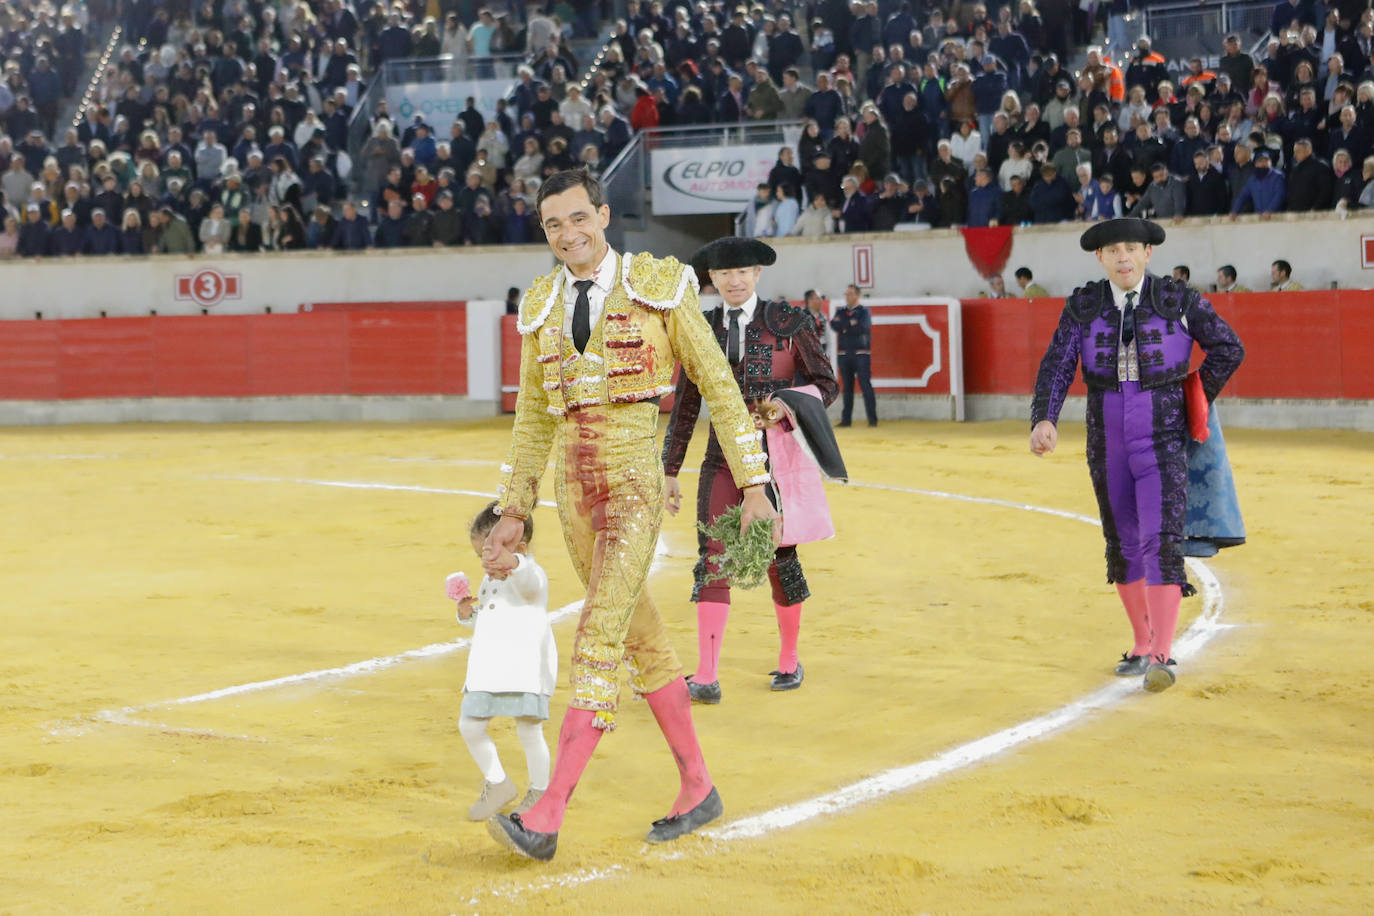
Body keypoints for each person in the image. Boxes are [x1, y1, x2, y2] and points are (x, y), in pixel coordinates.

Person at [484, 169, 776, 861]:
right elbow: (532, 417)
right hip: (573, 495)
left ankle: (550, 809)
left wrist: (754, 478)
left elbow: (718, 383)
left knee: (599, 633)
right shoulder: (542, 303)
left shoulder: (659, 282)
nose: (568, 234)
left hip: (635, 483)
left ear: (604, 215)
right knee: (639, 635)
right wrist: (515, 507)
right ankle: (697, 785)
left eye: (578, 218)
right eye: (553, 224)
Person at [1030, 217, 1244, 692]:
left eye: (1131, 248)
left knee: (1161, 540)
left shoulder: (1179, 300)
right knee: (1122, 541)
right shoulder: (1083, 305)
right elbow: (1058, 364)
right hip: (1105, 438)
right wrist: (1044, 418)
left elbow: (1229, 348)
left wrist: (1192, 395)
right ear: (1100, 258)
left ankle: (1164, 653)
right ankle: (1142, 641)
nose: (1123, 256)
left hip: (1163, 436)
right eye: (1113, 250)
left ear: (1148, 253)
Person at [662, 237, 838, 704]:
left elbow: (826, 383)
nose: (735, 281)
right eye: (725, 275)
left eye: (743, 272)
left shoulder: (789, 322)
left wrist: (785, 405)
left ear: (758, 274)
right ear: (713, 281)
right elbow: (685, 403)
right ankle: (706, 674)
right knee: (713, 555)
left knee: (781, 556)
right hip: (721, 458)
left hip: (776, 459)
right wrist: (670, 468)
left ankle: (788, 658)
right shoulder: (699, 328)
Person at [453, 502, 555, 822]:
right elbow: (491, 619)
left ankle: (540, 791)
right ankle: (498, 783)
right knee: (469, 725)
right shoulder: (489, 580)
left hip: (525, 670)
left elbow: (528, 584)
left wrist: (515, 564)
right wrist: (468, 615)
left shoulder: (531, 574)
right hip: (490, 670)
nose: (484, 562)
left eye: (490, 552)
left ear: (518, 547)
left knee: (529, 731)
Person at [831, 284, 877, 427]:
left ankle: (872, 419)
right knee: (847, 387)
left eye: (850, 294)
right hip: (844, 354)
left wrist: (844, 326)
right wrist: (850, 324)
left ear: (857, 295)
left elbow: (863, 327)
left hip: (861, 353)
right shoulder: (841, 311)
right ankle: (846, 420)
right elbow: (834, 325)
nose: (847, 296)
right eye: (846, 294)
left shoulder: (864, 311)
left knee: (865, 385)